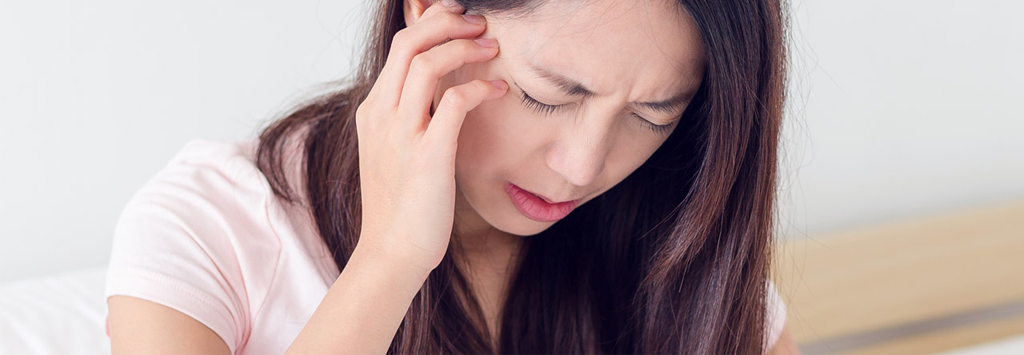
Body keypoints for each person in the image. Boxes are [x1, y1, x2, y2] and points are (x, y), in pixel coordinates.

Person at [104, 0, 796, 353]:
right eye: (548, 95)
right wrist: (387, 262)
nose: (583, 166)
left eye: (650, 114)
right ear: (431, 17)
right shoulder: (207, 226)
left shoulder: (683, 252)